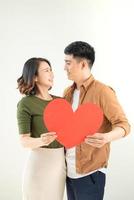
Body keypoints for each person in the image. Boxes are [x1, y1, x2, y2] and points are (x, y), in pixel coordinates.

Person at [63, 41, 130, 200]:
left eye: (68, 63)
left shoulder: (103, 91)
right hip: (69, 172)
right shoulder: (68, 93)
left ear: (83, 64)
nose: (64, 67)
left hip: (91, 173)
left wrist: (107, 137)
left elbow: (124, 124)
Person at [17, 57, 66, 200]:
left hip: (59, 166)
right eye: (46, 70)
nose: (52, 74)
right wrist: (42, 140)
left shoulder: (61, 102)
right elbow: (24, 141)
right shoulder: (26, 104)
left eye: (51, 70)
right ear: (35, 77)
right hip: (38, 166)